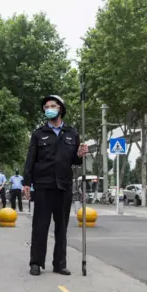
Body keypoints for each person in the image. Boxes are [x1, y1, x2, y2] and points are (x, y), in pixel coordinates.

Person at [23, 95, 88, 276]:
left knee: (62, 227)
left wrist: (81, 153)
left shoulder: (72, 133)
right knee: (40, 226)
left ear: (61, 109)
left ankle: (60, 264)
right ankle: (36, 263)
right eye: (46, 107)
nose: (49, 109)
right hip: (43, 185)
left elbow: (75, 161)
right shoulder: (38, 134)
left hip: (64, 186)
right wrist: (27, 183)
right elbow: (30, 160)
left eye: (52, 106)